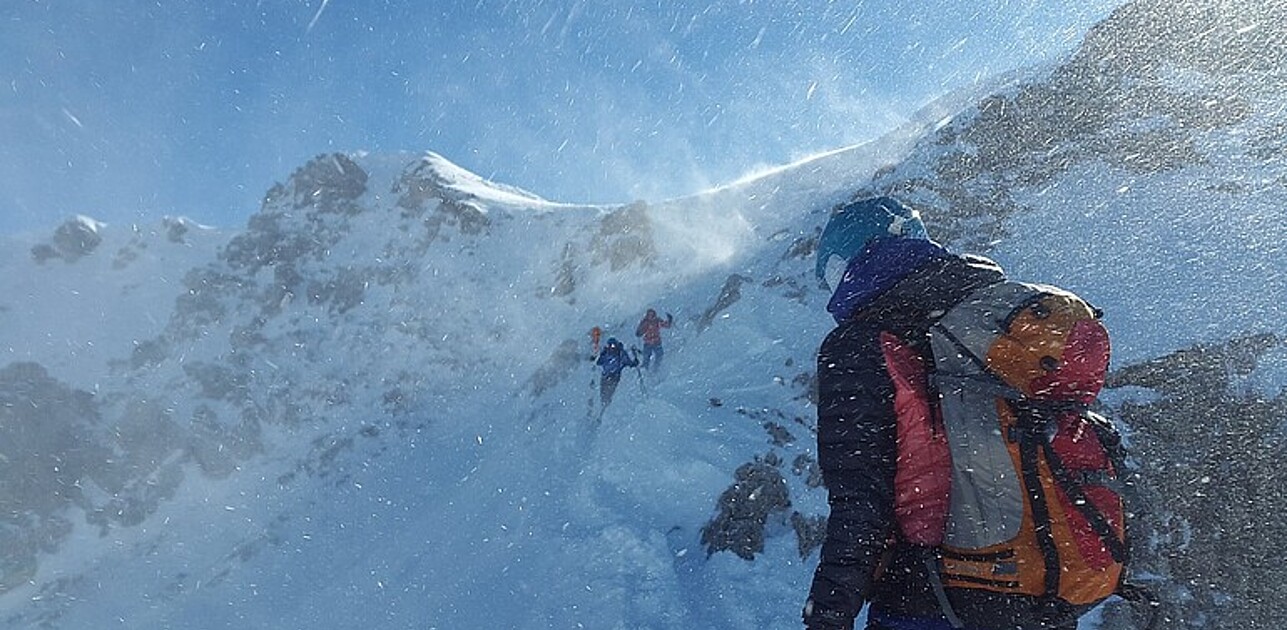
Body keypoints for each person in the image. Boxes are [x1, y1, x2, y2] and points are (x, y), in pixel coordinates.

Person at [802, 196, 1041, 630]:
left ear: (857, 257)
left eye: (834, 271)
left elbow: (861, 504)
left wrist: (829, 612)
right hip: (1034, 581)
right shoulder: (990, 315)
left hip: (932, 593)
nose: (834, 292)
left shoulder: (858, 345)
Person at [595, 337, 637, 408]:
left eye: (613, 345)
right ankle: (603, 406)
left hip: (614, 376)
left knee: (610, 393)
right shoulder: (606, 353)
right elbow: (599, 362)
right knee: (603, 393)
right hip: (605, 376)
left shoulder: (620, 354)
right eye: (609, 345)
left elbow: (627, 362)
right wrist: (602, 353)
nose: (611, 347)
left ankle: (606, 407)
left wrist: (634, 363)